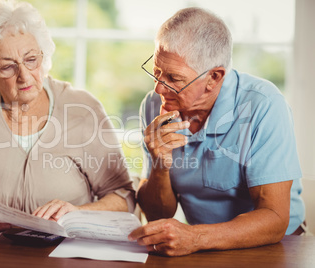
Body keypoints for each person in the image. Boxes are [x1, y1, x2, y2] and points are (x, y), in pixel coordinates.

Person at [0, 0, 135, 236]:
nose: (24, 76)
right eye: (7, 67)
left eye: (31, 60)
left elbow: (123, 197)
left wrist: (78, 212)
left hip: (66, 254)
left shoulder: (83, 108)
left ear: (43, 56)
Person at [128, 7, 306, 256]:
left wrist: (195, 236)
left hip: (276, 247)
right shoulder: (154, 105)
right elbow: (158, 214)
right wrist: (159, 164)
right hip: (204, 247)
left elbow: (275, 219)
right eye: (156, 72)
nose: (159, 88)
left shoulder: (263, 104)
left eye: (173, 77)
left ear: (213, 77)